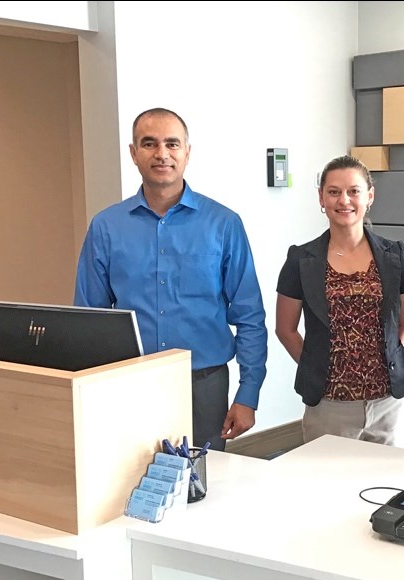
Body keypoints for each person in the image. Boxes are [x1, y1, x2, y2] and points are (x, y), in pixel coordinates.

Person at [74, 107, 268, 451]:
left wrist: (248, 393)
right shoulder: (106, 227)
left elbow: (249, 316)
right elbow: (90, 318)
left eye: (172, 144)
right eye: (149, 144)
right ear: (134, 153)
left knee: (207, 484)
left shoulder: (223, 224)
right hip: (130, 382)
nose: (161, 154)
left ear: (187, 152)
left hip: (204, 384)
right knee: (128, 483)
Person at [275, 155, 404, 448]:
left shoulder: (396, 255)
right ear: (321, 198)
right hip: (328, 405)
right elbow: (285, 330)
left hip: (387, 403)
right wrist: (317, 366)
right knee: (329, 488)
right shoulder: (301, 260)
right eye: (334, 191)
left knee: (391, 487)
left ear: (369, 197)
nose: (344, 200)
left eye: (354, 191)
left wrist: (387, 356)